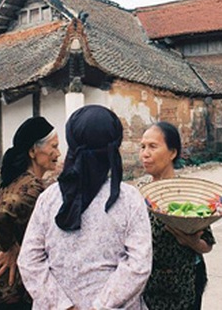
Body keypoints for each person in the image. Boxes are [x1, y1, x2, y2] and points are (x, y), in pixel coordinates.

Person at [18, 105, 152, 310]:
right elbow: (138, 265)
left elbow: (29, 261)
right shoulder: (129, 200)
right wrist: (100, 306)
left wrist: (62, 306)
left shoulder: (49, 199)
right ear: (112, 148)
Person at [0, 116, 60, 310]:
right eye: (53, 147)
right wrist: (10, 248)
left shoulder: (17, 179)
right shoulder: (31, 187)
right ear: (33, 151)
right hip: (7, 293)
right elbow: (0, 215)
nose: (58, 153)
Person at [138, 121, 215, 310]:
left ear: (172, 153)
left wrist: (191, 242)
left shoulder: (188, 193)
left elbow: (207, 244)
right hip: (147, 286)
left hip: (184, 285)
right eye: (142, 147)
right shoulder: (138, 193)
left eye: (152, 147)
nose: (145, 153)